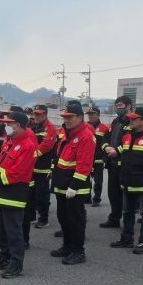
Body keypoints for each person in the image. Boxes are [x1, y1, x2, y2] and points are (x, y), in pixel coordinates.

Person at [0, 111, 37, 278]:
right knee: (0, 228)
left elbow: (18, 173)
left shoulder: (28, 145)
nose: (6, 126)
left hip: (14, 192)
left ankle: (16, 263)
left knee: (13, 230)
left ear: (19, 125)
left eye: (9, 124)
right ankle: (4, 256)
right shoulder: (10, 141)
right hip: (1, 190)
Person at [109, 108, 143, 255]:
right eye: (131, 119)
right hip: (127, 182)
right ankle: (127, 238)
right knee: (127, 212)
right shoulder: (127, 136)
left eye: (135, 119)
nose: (131, 121)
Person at [50, 103, 95, 265]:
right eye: (65, 117)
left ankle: (78, 251)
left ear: (80, 117)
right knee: (63, 217)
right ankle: (67, 246)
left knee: (75, 219)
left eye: (70, 117)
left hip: (74, 186)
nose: (66, 120)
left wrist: (74, 185)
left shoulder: (85, 135)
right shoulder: (68, 133)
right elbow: (60, 156)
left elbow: (84, 164)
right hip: (62, 182)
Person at [100, 96, 133, 228]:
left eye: (120, 105)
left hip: (125, 163)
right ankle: (114, 218)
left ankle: (128, 222)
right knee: (113, 193)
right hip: (112, 162)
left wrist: (117, 151)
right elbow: (105, 137)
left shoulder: (132, 122)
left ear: (128, 106)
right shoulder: (115, 121)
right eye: (116, 105)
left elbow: (131, 141)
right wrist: (106, 147)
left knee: (126, 194)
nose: (118, 108)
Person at [30, 104, 58, 227]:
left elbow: (46, 146)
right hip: (32, 165)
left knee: (42, 194)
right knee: (31, 193)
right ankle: (31, 216)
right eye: (35, 113)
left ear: (45, 115)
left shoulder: (50, 128)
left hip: (43, 166)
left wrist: (30, 156)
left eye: (39, 114)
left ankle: (43, 218)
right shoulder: (33, 126)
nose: (36, 116)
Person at [86, 106, 110, 207]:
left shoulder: (104, 128)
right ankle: (87, 197)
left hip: (98, 160)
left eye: (93, 114)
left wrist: (105, 159)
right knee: (85, 180)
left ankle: (96, 198)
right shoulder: (84, 126)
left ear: (98, 115)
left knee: (98, 181)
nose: (91, 116)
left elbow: (107, 143)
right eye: (89, 114)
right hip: (86, 159)